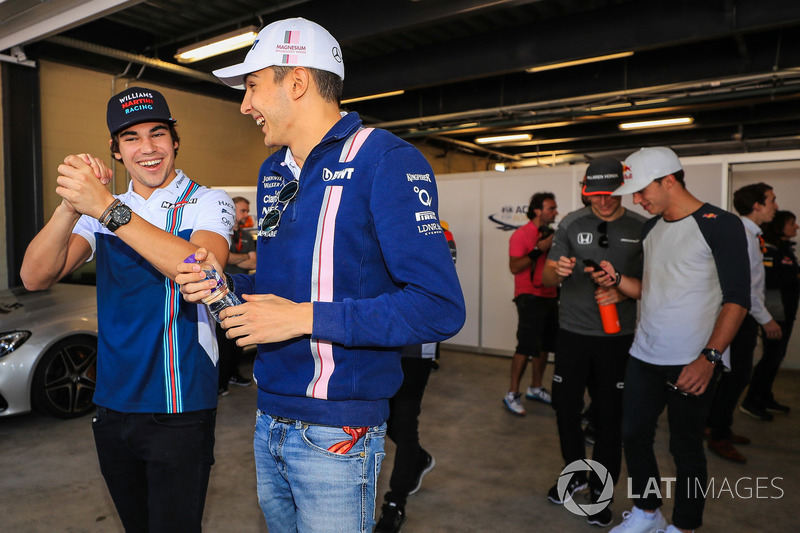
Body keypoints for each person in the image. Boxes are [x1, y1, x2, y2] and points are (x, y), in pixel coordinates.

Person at [175, 18, 465, 533]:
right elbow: (281, 292)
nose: (245, 105)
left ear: (297, 82)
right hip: (268, 418)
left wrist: (303, 319)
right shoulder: (273, 173)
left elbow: (438, 307)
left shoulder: (387, 160)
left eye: (252, 86)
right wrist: (222, 286)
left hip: (339, 429)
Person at [20, 87, 234, 532]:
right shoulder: (100, 211)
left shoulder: (209, 201)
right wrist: (71, 204)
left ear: (175, 141)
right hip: (112, 405)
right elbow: (35, 276)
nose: (148, 148)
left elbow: (203, 270)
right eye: (131, 138)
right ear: (116, 151)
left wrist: (106, 208)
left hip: (179, 408)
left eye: (158, 134)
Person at [596, 147, 750, 533]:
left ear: (670, 180)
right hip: (645, 353)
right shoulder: (652, 228)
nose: (636, 200)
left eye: (641, 190)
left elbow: (738, 299)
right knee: (633, 435)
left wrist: (708, 358)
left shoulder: (721, 224)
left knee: (685, 448)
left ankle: (684, 526)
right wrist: (618, 282)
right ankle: (648, 513)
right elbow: (652, 287)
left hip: (692, 359)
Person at [541, 158, 645, 527]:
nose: (602, 202)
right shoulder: (571, 222)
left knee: (608, 417)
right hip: (572, 334)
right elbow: (547, 277)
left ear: (622, 189)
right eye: (594, 195)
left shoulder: (641, 228)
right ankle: (574, 475)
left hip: (617, 339)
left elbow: (658, 287)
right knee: (565, 409)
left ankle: (601, 493)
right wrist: (559, 270)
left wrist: (623, 293)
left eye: (610, 194)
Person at [706, 182, 780, 462]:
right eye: (771, 200)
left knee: (728, 376)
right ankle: (719, 435)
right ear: (757, 205)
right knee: (735, 377)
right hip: (740, 316)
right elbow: (745, 286)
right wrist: (767, 320)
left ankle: (715, 426)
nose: (775, 205)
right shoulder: (744, 237)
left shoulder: (751, 235)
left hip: (743, 314)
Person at [503, 192, 558, 416]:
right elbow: (515, 267)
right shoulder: (521, 235)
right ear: (538, 211)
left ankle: (535, 387)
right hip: (529, 296)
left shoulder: (553, 234)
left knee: (544, 347)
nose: (555, 212)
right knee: (525, 346)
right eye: (551, 208)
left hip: (551, 294)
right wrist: (538, 249)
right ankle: (512, 393)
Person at [742, 210, 798, 416]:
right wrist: (795, 277)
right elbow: (765, 281)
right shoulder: (768, 249)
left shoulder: (784, 249)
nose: (796, 227)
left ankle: (765, 396)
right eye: (792, 223)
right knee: (771, 357)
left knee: (777, 355)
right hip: (775, 313)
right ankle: (752, 400)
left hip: (784, 311)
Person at [216, 196, 256, 395]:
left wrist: (237, 259)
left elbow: (254, 262)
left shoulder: (246, 236)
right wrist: (243, 258)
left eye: (247, 211)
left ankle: (234, 374)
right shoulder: (220, 233)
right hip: (221, 295)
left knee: (239, 340)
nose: (245, 215)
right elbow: (222, 257)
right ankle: (220, 381)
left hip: (243, 294)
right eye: (243, 211)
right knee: (223, 340)